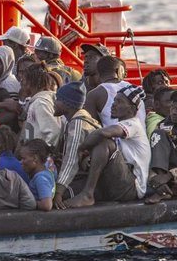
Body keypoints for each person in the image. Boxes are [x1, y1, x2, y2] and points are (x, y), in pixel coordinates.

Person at [63, 85, 149, 208]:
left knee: (103, 142)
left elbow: (102, 133)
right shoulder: (120, 126)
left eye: (119, 101)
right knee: (69, 191)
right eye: (114, 100)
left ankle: (87, 194)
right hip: (115, 182)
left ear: (131, 109)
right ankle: (81, 193)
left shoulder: (134, 124)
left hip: (131, 187)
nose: (113, 104)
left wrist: (81, 148)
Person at [51, 81, 102, 209]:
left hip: (90, 181)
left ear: (67, 104)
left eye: (58, 100)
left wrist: (59, 192)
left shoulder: (78, 124)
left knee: (51, 197)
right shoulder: (75, 121)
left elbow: (71, 160)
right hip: (88, 177)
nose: (54, 103)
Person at [84, 55, 145, 127]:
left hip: (114, 136)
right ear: (118, 71)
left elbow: (91, 127)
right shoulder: (135, 89)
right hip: (141, 136)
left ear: (98, 73)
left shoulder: (94, 94)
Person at [19, 63, 64, 148]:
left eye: (24, 79)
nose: (21, 82)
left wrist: (44, 156)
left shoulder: (40, 103)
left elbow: (54, 131)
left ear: (31, 82)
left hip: (38, 158)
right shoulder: (37, 101)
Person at [18, 139, 55, 212]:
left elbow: (47, 205)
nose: (20, 162)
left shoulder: (41, 178)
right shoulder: (47, 172)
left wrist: (28, 203)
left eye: (23, 158)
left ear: (35, 158)